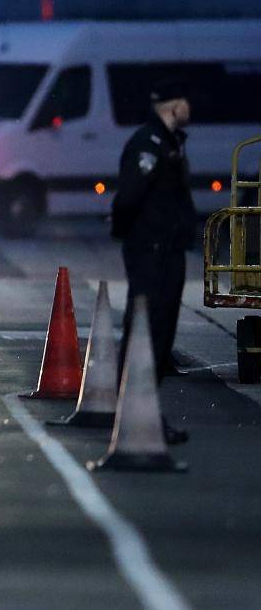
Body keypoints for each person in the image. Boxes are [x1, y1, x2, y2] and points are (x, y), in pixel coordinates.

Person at [110, 77, 196, 442]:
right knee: (148, 330)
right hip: (153, 252)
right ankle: (136, 414)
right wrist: (134, 236)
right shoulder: (150, 143)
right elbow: (129, 197)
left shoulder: (168, 142)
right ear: (173, 105)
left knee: (158, 335)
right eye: (187, 101)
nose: (192, 109)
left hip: (165, 250)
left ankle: (143, 412)